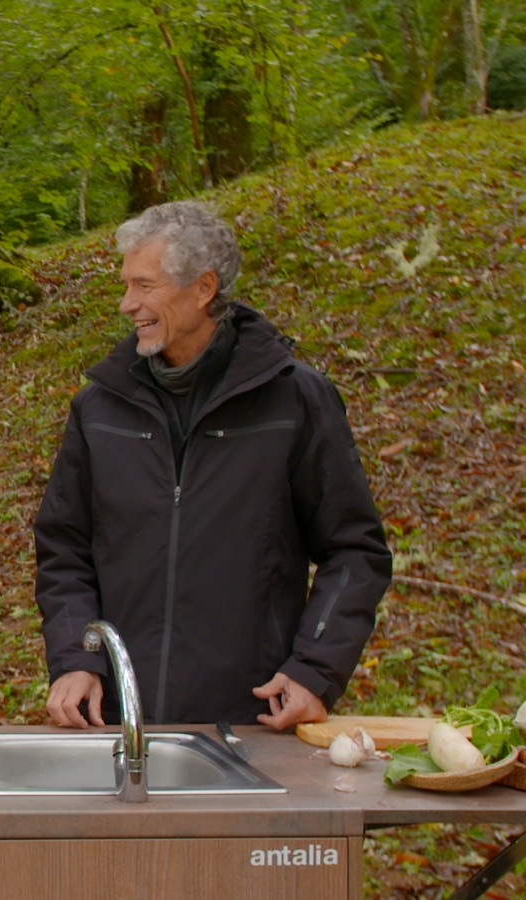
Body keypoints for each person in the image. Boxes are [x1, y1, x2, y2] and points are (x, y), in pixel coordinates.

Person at [36, 201, 392, 730]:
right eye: (126, 285)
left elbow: (354, 550)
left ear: (203, 289)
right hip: (115, 721)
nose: (126, 304)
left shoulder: (293, 400)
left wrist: (315, 670)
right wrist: (76, 658)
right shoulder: (100, 408)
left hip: (249, 721)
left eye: (143, 285)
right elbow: (64, 547)